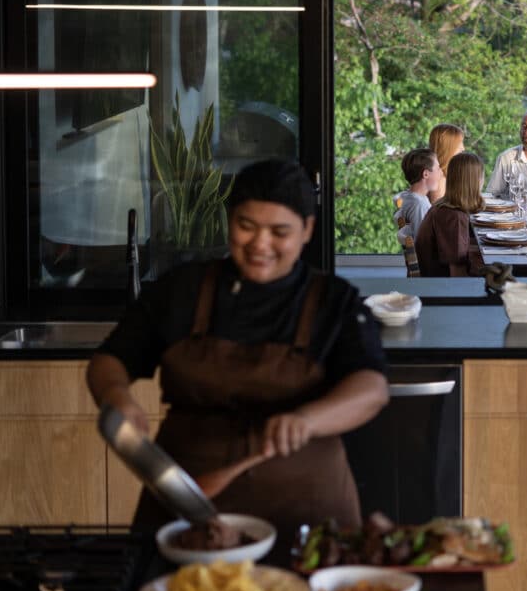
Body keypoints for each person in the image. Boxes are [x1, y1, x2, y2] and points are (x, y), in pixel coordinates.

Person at [86, 158, 389, 538]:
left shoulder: (334, 300)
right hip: (188, 501)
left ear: (307, 230)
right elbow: (111, 359)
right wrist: (117, 396)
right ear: (230, 221)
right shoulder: (182, 289)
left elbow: (371, 388)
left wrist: (308, 419)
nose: (260, 244)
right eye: (247, 226)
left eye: (280, 231)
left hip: (305, 510)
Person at [415, 152, 487, 277]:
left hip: (434, 279)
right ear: (475, 181)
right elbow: (457, 274)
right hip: (441, 288)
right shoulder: (453, 217)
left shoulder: (445, 207)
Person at [393, 148, 442, 246]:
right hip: (426, 260)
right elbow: (423, 242)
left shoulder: (407, 196)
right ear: (426, 174)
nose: (441, 173)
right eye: (438, 168)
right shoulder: (418, 204)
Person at [427, 123, 465, 203]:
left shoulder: (443, 173)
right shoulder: (439, 179)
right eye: (459, 143)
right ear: (448, 146)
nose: (463, 148)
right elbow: (439, 213)